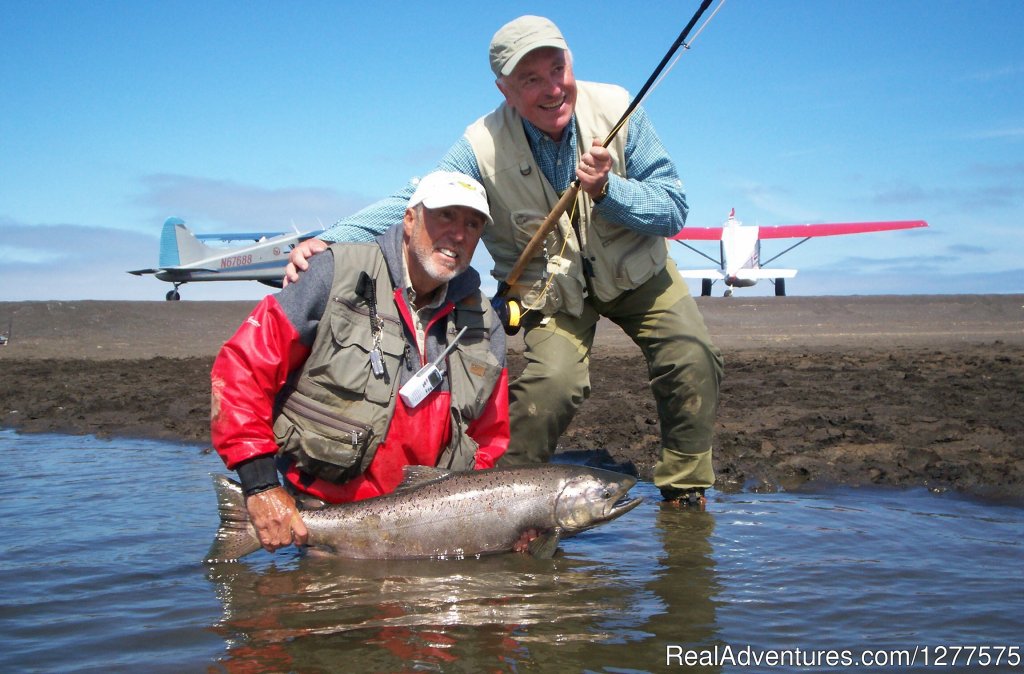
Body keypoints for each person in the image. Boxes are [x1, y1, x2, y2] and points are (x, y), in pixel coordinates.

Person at [286, 16, 723, 506]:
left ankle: (685, 494)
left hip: (641, 272)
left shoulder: (621, 107)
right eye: (530, 80)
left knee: (690, 356)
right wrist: (330, 240)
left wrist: (609, 190)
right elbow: (416, 198)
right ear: (505, 89)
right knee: (550, 387)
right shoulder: (479, 145)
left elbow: (673, 209)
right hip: (553, 294)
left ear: (571, 62)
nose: (552, 89)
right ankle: (500, 506)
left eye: (557, 70)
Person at [211, 171, 510, 553]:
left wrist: (489, 518)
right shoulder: (334, 272)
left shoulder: (485, 322)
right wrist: (260, 484)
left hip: (433, 531)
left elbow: (490, 438)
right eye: (446, 216)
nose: (459, 234)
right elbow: (241, 369)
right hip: (325, 521)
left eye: (473, 224)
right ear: (409, 219)